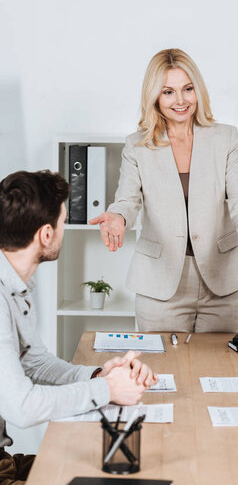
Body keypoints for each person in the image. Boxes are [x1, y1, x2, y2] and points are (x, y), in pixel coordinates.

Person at [91, 48, 238, 332]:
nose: (180, 101)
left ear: (198, 90)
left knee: (222, 371)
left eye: (187, 89)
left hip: (224, 279)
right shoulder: (137, 145)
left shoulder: (225, 138)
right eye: (168, 92)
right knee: (162, 374)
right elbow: (127, 199)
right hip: (161, 282)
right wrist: (117, 216)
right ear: (154, 96)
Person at [0, 170, 157, 485]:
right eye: (62, 221)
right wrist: (108, 390)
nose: (63, 230)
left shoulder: (14, 286)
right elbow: (22, 408)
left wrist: (98, 375)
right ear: (46, 234)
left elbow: (35, 362)